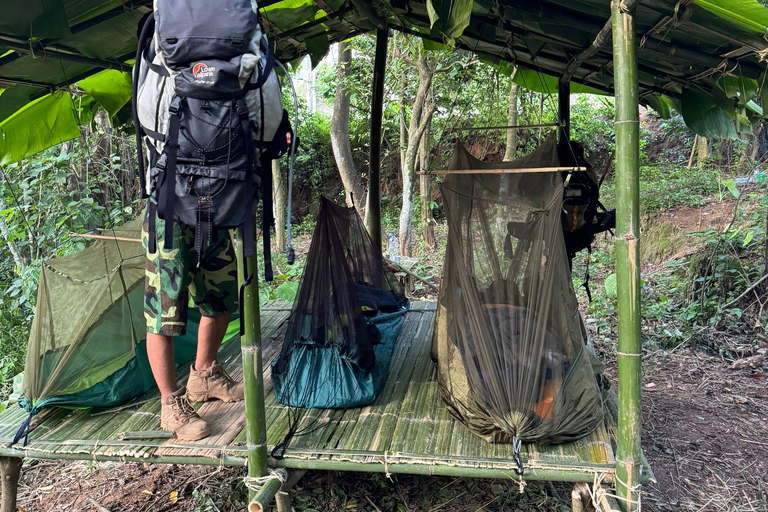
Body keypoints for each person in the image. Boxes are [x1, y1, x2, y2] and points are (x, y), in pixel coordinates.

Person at [143, 209, 243, 441]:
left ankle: (205, 377)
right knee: (161, 314)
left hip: (213, 209)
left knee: (221, 297)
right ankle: (170, 404)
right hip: (169, 214)